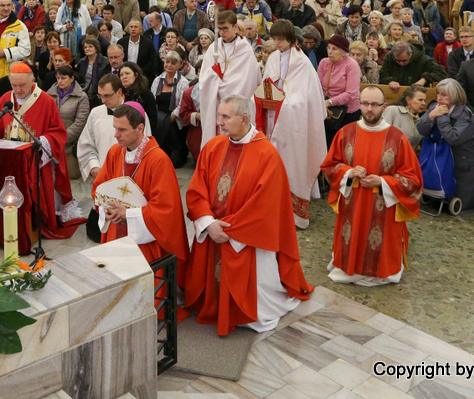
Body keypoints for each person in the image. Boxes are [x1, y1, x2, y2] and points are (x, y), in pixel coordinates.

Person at [185, 95, 313, 335]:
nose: (219, 122)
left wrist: (229, 230)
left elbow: (264, 207)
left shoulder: (267, 154)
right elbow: (196, 189)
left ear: (244, 119)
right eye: (219, 115)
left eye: (226, 117)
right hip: (213, 230)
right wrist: (208, 223)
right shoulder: (213, 146)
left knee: (257, 303)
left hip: (247, 239)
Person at [321, 86, 423, 286]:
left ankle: (381, 270)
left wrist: (383, 181)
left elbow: (413, 179)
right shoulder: (346, 133)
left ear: (384, 107)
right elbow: (329, 166)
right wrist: (348, 172)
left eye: (375, 104)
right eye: (365, 103)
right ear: (359, 104)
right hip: (352, 205)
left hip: (383, 207)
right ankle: (349, 267)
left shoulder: (397, 138)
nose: (369, 109)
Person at [0, 62, 85, 238]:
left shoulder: (46, 101)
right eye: (14, 85)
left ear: (33, 81)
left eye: (22, 85)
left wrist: (42, 142)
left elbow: (57, 131)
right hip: (10, 159)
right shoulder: (6, 99)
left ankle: (35, 222)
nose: (17, 90)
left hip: (35, 159)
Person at [91, 103, 189, 286]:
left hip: (145, 240)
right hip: (115, 231)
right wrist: (107, 208)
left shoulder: (158, 160)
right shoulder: (115, 152)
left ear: (140, 128)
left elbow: (166, 210)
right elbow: (99, 188)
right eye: (115, 128)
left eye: (122, 130)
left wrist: (128, 214)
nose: (116, 135)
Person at [259, 19, 328, 229]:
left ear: (290, 38)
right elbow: (266, 85)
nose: (277, 43)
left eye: (281, 39)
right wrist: (267, 97)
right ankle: (271, 209)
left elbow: (307, 97)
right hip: (273, 118)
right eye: (274, 39)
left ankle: (294, 213)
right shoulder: (273, 58)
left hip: (293, 122)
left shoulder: (302, 62)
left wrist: (287, 102)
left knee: (293, 163)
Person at [416, 79, 474, 212]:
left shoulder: (464, 114)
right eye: (438, 94)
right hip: (444, 157)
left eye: (444, 95)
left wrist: (442, 117)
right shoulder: (435, 106)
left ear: (454, 96)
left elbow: (453, 137)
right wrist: (431, 115)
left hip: (465, 160)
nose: (439, 98)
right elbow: (421, 130)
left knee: (456, 203)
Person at [198, 11, 260, 149]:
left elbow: (248, 81)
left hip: (236, 102)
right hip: (216, 102)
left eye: (225, 28)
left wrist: (223, 87)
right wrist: (214, 79)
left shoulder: (245, 49)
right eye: (219, 29)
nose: (222, 32)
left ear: (235, 27)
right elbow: (203, 79)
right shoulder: (214, 47)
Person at [77, 74, 153, 182]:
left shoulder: (136, 114)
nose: (103, 100)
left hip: (130, 175)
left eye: (107, 96)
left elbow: (145, 145)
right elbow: (86, 144)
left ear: (119, 92)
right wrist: (93, 166)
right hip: (102, 173)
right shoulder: (95, 113)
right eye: (100, 96)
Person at [317, 34, 361, 147]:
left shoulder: (352, 65)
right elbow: (318, 87)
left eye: (334, 49)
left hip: (348, 111)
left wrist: (329, 102)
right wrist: (322, 102)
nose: (330, 51)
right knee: (326, 144)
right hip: (328, 110)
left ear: (343, 52)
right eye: (328, 48)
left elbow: (351, 94)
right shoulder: (324, 62)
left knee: (344, 145)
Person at [48, 65, 90, 179]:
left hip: (69, 144)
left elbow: (80, 123)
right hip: (50, 141)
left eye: (63, 78)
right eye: (58, 78)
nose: (60, 81)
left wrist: (61, 138)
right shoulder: (49, 94)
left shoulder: (81, 97)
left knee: (71, 175)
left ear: (72, 78)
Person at [379, 41, 447, 93]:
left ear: (410, 53)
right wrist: (390, 81)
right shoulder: (389, 58)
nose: (401, 63)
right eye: (398, 61)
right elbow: (383, 74)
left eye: (404, 60)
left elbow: (441, 73)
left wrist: (424, 79)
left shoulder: (423, 59)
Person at [382, 84, 428, 150]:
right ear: (408, 100)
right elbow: (382, 135)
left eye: (424, 100)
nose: (424, 103)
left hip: (409, 156)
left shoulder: (420, 121)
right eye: (420, 100)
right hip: (388, 154)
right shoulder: (393, 111)